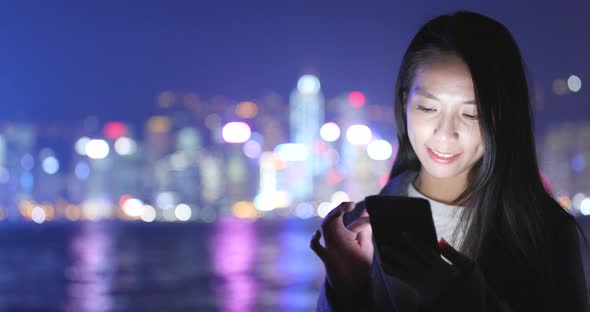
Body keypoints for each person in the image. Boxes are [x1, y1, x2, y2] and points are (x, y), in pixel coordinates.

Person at [310, 11, 589, 311]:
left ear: (503, 119)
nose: (445, 134)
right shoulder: (363, 229)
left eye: (471, 114)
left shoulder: (545, 235)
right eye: (428, 108)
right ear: (405, 102)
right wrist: (345, 291)